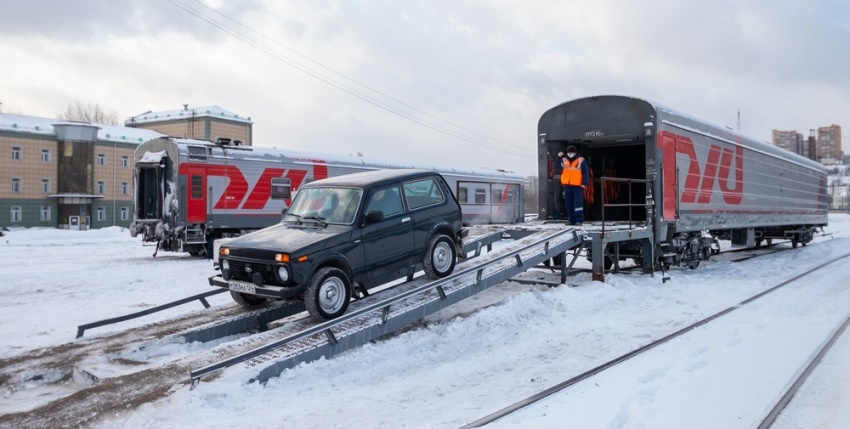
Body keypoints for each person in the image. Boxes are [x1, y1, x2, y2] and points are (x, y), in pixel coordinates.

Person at [560, 145, 589, 226]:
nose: (570, 154)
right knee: (568, 204)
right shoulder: (564, 160)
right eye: (569, 152)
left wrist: (584, 183)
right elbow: (557, 167)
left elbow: (586, 172)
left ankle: (579, 220)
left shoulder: (581, 160)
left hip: (577, 186)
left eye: (572, 152)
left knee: (578, 204)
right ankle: (571, 220)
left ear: (575, 153)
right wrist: (558, 157)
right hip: (567, 186)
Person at [552, 150, 565, 220]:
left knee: (562, 198)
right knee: (560, 198)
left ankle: (563, 212)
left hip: (565, 182)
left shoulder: (564, 161)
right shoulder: (558, 161)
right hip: (562, 181)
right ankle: (562, 213)